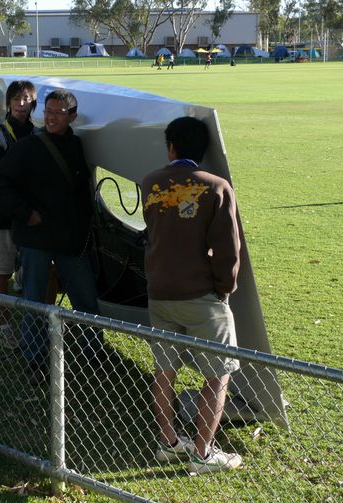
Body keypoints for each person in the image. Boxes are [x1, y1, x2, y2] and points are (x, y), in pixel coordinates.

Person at [140, 116, 242, 475]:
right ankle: (203, 452)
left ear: (171, 147)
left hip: (159, 291)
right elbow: (229, 249)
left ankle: (168, 441)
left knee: (164, 370)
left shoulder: (150, 182)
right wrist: (224, 288)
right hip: (201, 295)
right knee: (217, 375)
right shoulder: (217, 187)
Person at [0, 89, 102, 384]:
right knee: (35, 302)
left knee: (86, 299)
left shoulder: (77, 146)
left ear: (72, 117)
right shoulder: (28, 147)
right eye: (48, 112)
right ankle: (35, 362)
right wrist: (26, 213)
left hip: (70, 240)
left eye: (58, 113)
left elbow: (81, 193)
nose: (51, 118)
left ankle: (94, 354)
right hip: (35, 239)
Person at [0, 80, 36, 348]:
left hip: (30, 215)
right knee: (3, 272)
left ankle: (31, 327)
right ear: (8, 103)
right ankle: (4, 327)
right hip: (3, 215)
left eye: (26, 98)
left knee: (30, 273)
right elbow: (4, 173)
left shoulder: (37, 133)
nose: (21, 103)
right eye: (16, 98)